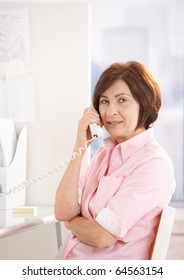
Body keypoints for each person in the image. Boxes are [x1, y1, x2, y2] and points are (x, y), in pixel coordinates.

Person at [54, 61, 176, 260]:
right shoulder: (103, 154)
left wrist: (72, 222)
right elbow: (62, 211)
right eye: (104, 101)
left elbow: (101, 236)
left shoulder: (154, 164)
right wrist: (80, 146)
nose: (110, 112)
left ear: (144, 103)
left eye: (122, 100)